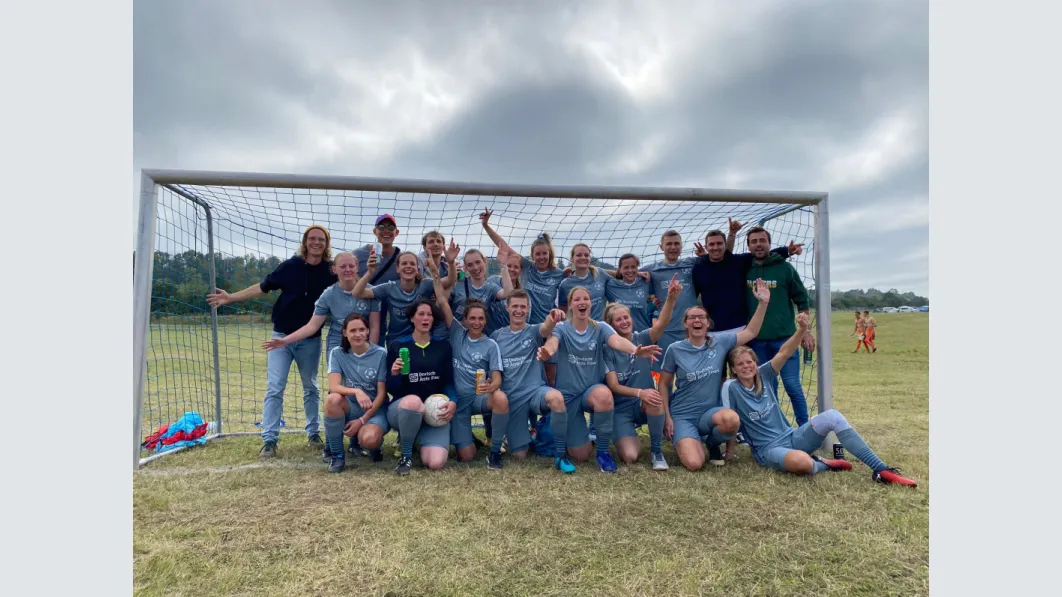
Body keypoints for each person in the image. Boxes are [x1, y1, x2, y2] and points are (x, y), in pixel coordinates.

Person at [722, 313, 917, 486]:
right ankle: (822, 464)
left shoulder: (764, 375)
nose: (746, 367)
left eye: (750, 362)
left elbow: (784, 352)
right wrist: (729, 453)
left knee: (833, 416)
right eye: (740, 364)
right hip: (769, 450)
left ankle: (882, 470)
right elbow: (731, 422)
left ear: (756, 364)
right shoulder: (731, 388)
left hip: (793, 436)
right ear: (734, 370)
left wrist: (802, 330)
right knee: (803, 464)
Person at [206, 225, 336, 459]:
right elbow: (262, 287)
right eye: (312, 239)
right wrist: (231, 297)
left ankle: (313, 433)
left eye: (321, 240)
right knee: (275, 388)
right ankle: (269, 440)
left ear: (326, 244)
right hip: (280, 339)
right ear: (305, 242)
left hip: (310, 340)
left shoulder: (331, 271)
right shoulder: (289, 267)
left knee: (311, 388)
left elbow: (349, 283)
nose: (316, 243)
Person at [260, 251, 382, 461]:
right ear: (334, 270)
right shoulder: (328, 294)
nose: (347, 270)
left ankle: (355, 442)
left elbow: (375, 326)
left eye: (351, 266)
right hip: (340, 347)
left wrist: (373, 352)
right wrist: (285, 340)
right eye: (342, 266)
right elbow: (312, 326)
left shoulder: (370, 291)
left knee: (365, 388)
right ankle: (333, 443)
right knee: (339, 393)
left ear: (357, 268)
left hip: (366, 347)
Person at [537, 287, 661, 473]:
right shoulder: (562, 328)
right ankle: (565, 450)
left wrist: (635, 350)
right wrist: (548, 351)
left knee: (604, 394)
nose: (582, 302)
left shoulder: (600, 327)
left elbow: (617, 341)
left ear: (591, 303)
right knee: (580, 455)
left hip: (591, 392)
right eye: (577, 299)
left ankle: (603, 453)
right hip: (569, 396)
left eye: (585, 298)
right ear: (570, 305)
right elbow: (552, 342)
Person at [658, 280, 771, 471]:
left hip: (711, 414)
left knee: (732, 420)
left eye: (701, 317)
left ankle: (712, 442)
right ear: (685, 323)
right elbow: (663, 385)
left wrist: (763, 303)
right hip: (683, 415)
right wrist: (667, 418)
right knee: (694, 464)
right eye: (692, 318)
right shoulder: (675, 349)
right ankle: (688, 440)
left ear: (707, 322)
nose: (697, 321)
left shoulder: (720, 342)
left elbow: (751, 332)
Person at [426, 260, 510, 469]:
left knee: (499, 397)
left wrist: (492, 386)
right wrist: (436, 273)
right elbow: (443, 302)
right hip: (458, 403)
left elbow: (497, 377)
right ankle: (468, 441)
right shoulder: (456, 333)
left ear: (485, 320)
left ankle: (495, 450)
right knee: (466, 456)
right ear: (464, 320)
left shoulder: (490, 344)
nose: (476, 322)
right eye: (472, 318)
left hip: (478, 398)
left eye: (480, 318)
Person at [602, 274, 681, 470]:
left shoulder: (643, 338)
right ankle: (624, 433)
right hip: (621, 408)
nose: (624, 322)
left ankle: (656, 451)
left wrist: (671, 298)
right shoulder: (608, 348)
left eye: (626, 317)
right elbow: (613, 386)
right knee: (630, 456)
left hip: (644, 403)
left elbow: (662, 323)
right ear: (611, 326)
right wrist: (639, 392)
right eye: (618, 320)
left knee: (654, 398)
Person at [744, 226, 815, 426]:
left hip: (785, 339)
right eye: (754, 241)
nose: (758, 244)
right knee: (766, 388)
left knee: (792, 386)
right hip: (757, 343)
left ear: (769, 243)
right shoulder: (745, 269)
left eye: (762, 240)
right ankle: (777, 429)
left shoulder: (785, 268)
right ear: (748, 245)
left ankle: (805, 429)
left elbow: (802, 300)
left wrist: (806, 332)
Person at [490, 290, 566, 461]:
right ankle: (524, 436)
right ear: (507, 308)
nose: (519, 310)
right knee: (519, 456)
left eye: (523, 307)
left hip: (535, 392)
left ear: (528, 309)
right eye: (515, 306)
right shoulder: (497, 336)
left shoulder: (533, 331)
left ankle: (560, 452)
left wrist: (552, 318)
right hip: (513, 399)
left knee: (556, 398)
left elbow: (546, 328)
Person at [385, 299, 457, 475]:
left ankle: (415, 438)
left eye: (429, 314)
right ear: (412, 318)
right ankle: (406, 455)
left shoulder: (443, 346)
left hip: (433, 412)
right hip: (404, 409)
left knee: (435, 462)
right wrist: (394, 375)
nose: (426, 318)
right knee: (413, 402)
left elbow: (448, 381)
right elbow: (391, 389)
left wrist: (453, 401)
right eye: (421, 314)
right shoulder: (398, 345)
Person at [691, 219, 800, 333]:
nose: (715, 247)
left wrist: (788, 250)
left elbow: (763, 253)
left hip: (740, 328)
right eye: (711, 244)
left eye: (719, 243)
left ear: (725, 245)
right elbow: (692, 295)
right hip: (712, 330)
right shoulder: (699, 268)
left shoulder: (738, 262)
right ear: (706, 247)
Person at [348, 244, 459, 346]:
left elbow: (449, 281)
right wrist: (370, 272)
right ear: (398, 268)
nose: (408, 266)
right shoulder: (389, 287)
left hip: (420, 339)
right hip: (396, 340)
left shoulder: (425, 284)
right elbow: (357, 292)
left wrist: (451, 263)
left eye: (412, 264)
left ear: (417, 269)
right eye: (404, 263)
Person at [321, 313, 389, 473]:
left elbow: (381, 395)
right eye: (352, 330)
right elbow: (334, 385)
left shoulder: (380, 354)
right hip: (352, 407)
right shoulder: (337, 353)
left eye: (361, 330)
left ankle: (374, 446)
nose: (357, 334)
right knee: (332, 399)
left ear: (367, 331)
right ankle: (337, 455)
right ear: (345, 333)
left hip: (374, 411)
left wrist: (362, 420)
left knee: (369, 439)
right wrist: (357, 391)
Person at [480, 209, 563, 325]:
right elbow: (503, 245)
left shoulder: (559, 274)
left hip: (547, 325)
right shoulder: (527, 267)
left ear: (550, 254)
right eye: (537, 254)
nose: (541, 257)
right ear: (532, 256)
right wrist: (485, 225)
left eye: (544, 253)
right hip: (526, 325)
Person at [640, 230, 702, 373]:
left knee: (692, 371)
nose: (673, 247)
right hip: (665, 331)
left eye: (676, 244)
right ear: (661, 247)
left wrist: (704, 255)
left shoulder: (691, 264)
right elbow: (627, 275)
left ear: (681, 246)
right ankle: (662, 396)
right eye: (669, 244)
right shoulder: (652, 269)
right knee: (663, 373)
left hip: (690, 328)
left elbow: (715, 263)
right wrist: (651, 301)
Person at [603, 254, 658, 333]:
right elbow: (598, 271)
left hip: (642, 333)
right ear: (620, 269)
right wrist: (637, 273)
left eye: (633, 267)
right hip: (619, 337)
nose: (630, 270)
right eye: (626, 267)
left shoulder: (645, 281)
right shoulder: (611, 285)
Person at [558, 244, 607, 320]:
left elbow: (618, 275)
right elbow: (562, 312)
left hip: (600, 328)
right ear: (572, 259)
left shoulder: (600, 273)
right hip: (578, 329)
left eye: (586, 255)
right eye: (579, 255)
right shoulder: (565, 284)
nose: (583, 258)